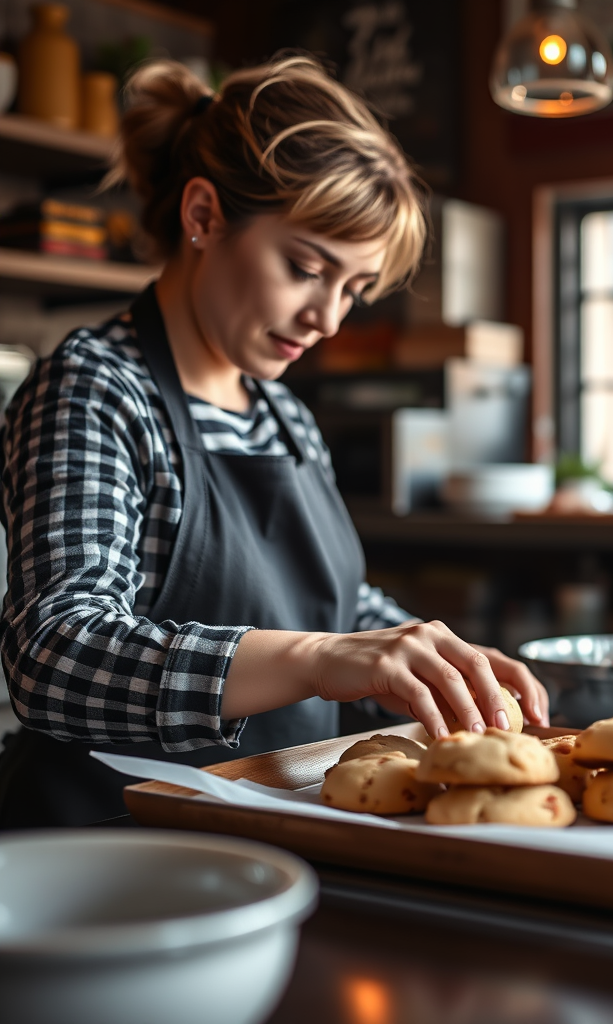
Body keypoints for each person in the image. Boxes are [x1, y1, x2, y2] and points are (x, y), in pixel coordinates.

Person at [0, 55, 548, 828]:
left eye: (353, 288)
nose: (328, 318)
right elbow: (55, 656)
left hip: (278, 835)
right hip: (116, 855)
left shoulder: (283, 414)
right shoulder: (96, 390)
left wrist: (424, 651)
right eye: (305, 268)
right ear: (203, 217)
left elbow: (330, 605)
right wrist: (319, 660)